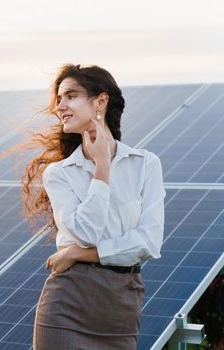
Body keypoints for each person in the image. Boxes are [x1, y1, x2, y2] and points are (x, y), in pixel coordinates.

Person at [19, 64, 166, 349]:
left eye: (71, 96)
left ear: (101, 100)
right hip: (66, 304)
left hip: (120, 308)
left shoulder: (146, 164)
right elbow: (85, 232)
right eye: (59, 99)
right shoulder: (59, 174)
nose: (60, 106)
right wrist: (102, 167)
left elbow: (148, 243)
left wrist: (77, 253)